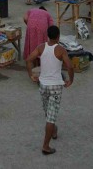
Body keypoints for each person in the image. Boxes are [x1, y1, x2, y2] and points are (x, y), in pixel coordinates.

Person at [26, 25, 73, 156]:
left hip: (43, 85)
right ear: (58, 36)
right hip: (56, 86)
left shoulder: (41, 47)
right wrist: (71, 80)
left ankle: (53, 130)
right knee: (50, 118)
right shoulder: (61, 50)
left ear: (48, 35)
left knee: (48, 112)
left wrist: (31, 75)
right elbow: (69, 66)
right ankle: (46, 146)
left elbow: (29, 59)